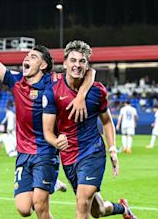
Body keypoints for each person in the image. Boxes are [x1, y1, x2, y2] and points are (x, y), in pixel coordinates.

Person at [0, 3, 95, 218]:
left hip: (46, 151)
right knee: (24, 210)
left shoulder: (55, 81)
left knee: (41, 207)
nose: (26, 59)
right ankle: (51, 182)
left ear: (42, 66)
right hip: (23, 153)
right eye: (27, 56)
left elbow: (90, 72)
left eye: (32, 57)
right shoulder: (16, 81)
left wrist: (80, 96)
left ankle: (48, 181)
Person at [43, 40, 136, 219]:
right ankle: (123, 209)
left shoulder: (97, 91)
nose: (77, 65)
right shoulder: (53, 91)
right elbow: (48, 130)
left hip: (93, 152)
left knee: (82, 199)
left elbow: (107, 122)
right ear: (65, 63)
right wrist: (56, 142)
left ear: (87, 65)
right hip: (69, 157)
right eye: (73, 60)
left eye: (82, 61)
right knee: (97, 210)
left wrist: (112, 149)